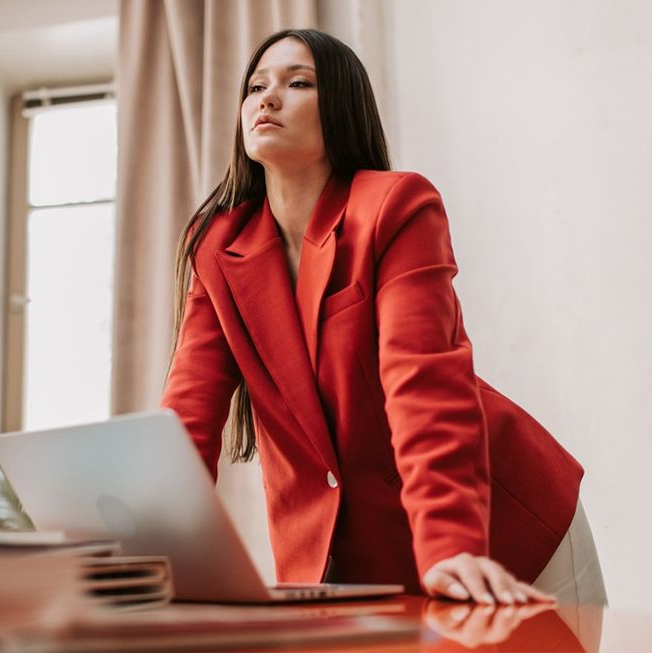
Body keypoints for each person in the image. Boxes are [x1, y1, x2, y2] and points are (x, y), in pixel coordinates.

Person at [160, 28, 607, 606]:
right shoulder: (218, 247)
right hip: (342, 568)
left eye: (298, 83)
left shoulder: (395, 207)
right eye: (255, 86)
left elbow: (423, 382)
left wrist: (451, 544)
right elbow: (188, 412)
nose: (266, 99)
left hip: (500, 543)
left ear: (342, 107)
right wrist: (151, 556)